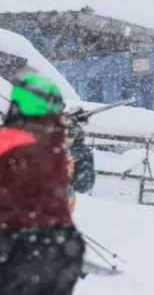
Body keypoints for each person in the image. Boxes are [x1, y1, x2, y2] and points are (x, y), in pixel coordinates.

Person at [0, 72, 85, 295]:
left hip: (15, 248)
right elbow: (81, 183)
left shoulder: (8, 141)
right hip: (59, 247)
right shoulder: (55, 145)